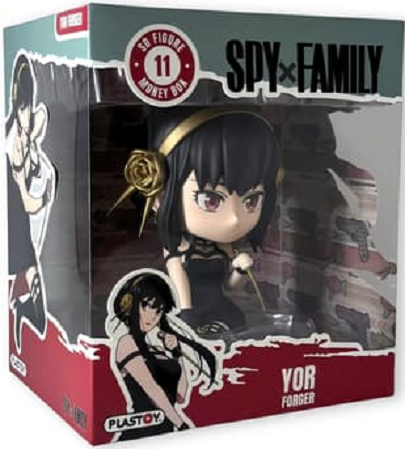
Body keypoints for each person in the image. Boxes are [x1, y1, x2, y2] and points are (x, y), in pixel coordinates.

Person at [112, 107, 282, 337]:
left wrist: (240, 271)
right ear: (161, 194)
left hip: (219, 308)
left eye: (251, 201)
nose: (234, 218)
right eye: (211, 200)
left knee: (235, 324)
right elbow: (179, 279)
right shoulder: (178, 247)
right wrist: (186, 312)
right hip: (186, 310)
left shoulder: (225, 247)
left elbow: (229, 287)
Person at [110, 272, 216, 440]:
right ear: (129, 304)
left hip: (165, 431)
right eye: (146, 306)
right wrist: (180, 424)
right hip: (142, 431)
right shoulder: (126, 343)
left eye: (158, 311)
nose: (153, 316)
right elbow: (152, 389)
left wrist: (177, 353)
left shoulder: (156, 350)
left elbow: (180, 396)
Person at [6, 53, 55, 351]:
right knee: (28, 272)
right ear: (17, 105)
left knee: (29, 275)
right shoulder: (15, 144)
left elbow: (42, 117)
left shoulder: (20, 133)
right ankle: (24, 310)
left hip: (18, 222)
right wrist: (46, 196)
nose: (28, 113)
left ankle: (22, 309)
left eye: (28, 104)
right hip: (16, 218)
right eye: (23, 106)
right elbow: (28, 203)